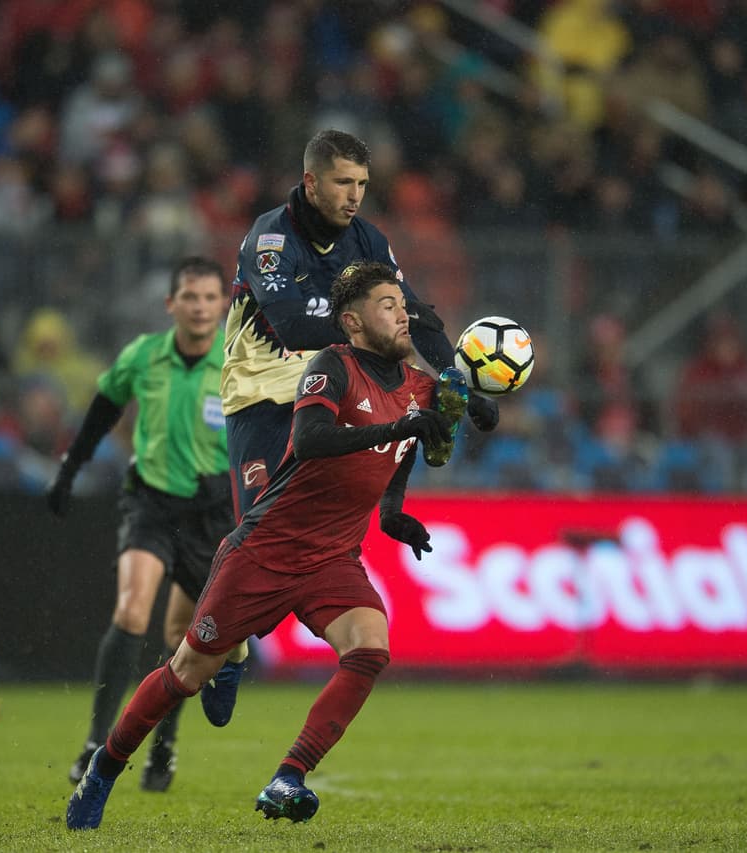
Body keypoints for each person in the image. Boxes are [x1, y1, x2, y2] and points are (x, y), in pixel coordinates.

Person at [66, 261, 483, 830]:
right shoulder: (331, 366)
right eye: (388, 305)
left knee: (370, 648)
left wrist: (393, 515)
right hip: (266, 550)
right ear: (353, 323)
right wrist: (401, 430)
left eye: (402, 303)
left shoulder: (418, 387)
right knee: (184, 672)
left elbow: (408, 449)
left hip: (333, 559)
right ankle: (104, 769)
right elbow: (311, 440)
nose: (403, 313)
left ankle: (289, 775)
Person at [213, 128, 498, 717]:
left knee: (408, 413)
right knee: (259, 534)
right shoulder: (271, 237)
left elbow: (413, 319)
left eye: (363, 185)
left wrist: (459, 386)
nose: (354, 196)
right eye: (343, 182)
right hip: (262, 394)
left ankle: (353, 569)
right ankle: (229, 646)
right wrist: (367, 322)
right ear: (312, 181)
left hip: (336, 387)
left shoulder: (369, 239)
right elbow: (291, 325)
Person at [47, 257, 246, 793]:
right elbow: (102, 411)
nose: (201, 307)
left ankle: (163, 744)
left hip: (211, 513)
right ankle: (94, 744)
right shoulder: (143, 356)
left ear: (223, 304)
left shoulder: (237, 362)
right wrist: (69, 471)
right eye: (191, 297)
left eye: (210, 297)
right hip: (151, 503)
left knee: (182, 637)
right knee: (131, 611)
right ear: (171, 304)